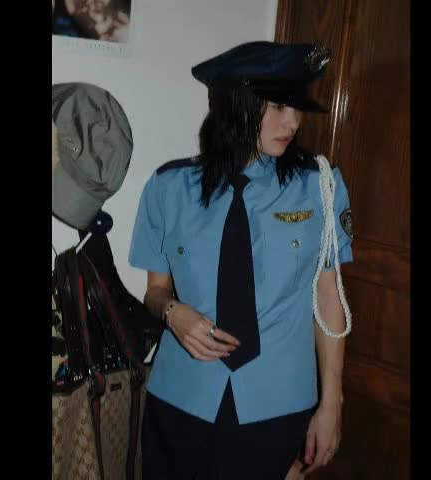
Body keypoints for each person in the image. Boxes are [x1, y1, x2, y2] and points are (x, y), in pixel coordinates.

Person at [128, 41, 354, 479]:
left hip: (277, 403)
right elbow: (155, 292)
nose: (293, 122)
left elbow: (329, 301)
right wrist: (173, 313)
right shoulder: (168, 188)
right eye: (278, 106)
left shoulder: (320, 187)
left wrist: (333, 403)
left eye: (297, 108)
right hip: (182, 399)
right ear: (234, 106)